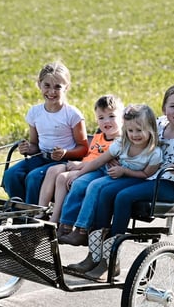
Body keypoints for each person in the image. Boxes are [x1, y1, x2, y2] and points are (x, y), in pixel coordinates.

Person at [75, 83, 174, 282]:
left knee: (124, 196)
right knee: (105, 190)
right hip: (144, 176)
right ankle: (94, 256)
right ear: (164, 109)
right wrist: (121, 153)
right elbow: (132, 129)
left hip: (170, 185)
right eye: (172, 106)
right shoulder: (158, 125)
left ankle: (110, 260)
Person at [56, 103, 162, 247]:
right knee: (79, 183)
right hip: (114, 174)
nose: (134, 135)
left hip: (133, 179)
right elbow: (99, 161)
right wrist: (79, 174)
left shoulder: (154, 153)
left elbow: (146, 174)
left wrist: (124, 171)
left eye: (139, 130)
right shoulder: (122, 143)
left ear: (151, 128)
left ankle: (82, 230)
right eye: (130, 130)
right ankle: (65, 226)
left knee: (95, 186)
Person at [2, 61, 88, 205]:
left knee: (34, 177)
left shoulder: (72, 114)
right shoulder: (35, 112)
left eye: (57, 87)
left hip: (62, 162)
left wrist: (65, 153)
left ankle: (33, 216)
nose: (51, 92)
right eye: (47, 85)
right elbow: (35, 145)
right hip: (41, 158)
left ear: (66, 87)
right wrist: (28, 149)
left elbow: (83, 148)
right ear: (39, 84)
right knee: (11, 175)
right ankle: (18, 211)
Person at [38, 94, 124, 221]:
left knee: (62, 177)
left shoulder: (120, 142)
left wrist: (80, 166)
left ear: (122, 118)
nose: (106, 121)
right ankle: (40, 212)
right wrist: (78, 164)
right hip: (83, 165)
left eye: (111, 116)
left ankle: (55, 218)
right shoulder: (98, 136)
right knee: (53, 170)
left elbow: (100, 162)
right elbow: (90, 156)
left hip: (94, 171)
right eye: (101, 117)